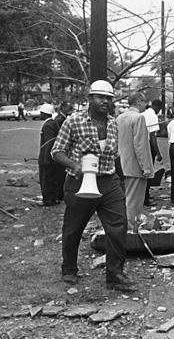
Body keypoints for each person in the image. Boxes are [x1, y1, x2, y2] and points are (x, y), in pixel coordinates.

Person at [51, 80, 136, 292]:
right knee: (73, 228)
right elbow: (56, 151)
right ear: (90, 99)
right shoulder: (73, 121)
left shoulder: (113, 123)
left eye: (108, 98)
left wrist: (121, 180)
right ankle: (69, 268)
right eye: (100, 97)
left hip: (108, 181)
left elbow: (115, 155)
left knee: (118, 225)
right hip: (80, 182)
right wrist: (75, 166)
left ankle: (114, 274)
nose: (105, 102)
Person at [117, 92, 154, 231]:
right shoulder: (139, 118)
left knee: (125, 199)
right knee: (134, 202)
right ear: (139, 102)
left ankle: (126, 227)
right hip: (135, 167)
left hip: (122, 165)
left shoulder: (120, 118)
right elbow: (140, 145)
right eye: (145, 102)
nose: (146, 105)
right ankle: (131, 230)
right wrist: (146, 167)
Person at [38, 103, 65, 206]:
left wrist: (46, 158)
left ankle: (48, 200)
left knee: (46, 179)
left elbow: (49, 143)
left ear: (44, 114)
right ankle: (54, 198)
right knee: (52, 178)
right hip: (50, 157)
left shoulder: (48, 125)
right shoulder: (52, 123)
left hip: (47, 157)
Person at [142, 99, 163, 206]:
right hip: (149, 146)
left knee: (143, 171)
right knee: (149, 173)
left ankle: (144, 195)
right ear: (158, 107)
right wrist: (158, 152)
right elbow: (152, 136)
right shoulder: (153, 116)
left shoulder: (143, 114)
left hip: (141, 145)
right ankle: (146, 199)